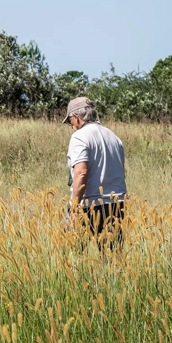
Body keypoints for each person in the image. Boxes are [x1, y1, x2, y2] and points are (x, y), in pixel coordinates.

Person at [62, 96, 126, 248]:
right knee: (112, 256)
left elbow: (81, 173)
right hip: (117, 204)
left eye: (70, 121)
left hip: (90, 205)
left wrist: (74, 208)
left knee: (73, 253)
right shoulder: (114, 137)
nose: (71, 126)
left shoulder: (79, 137)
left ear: (76, 117)